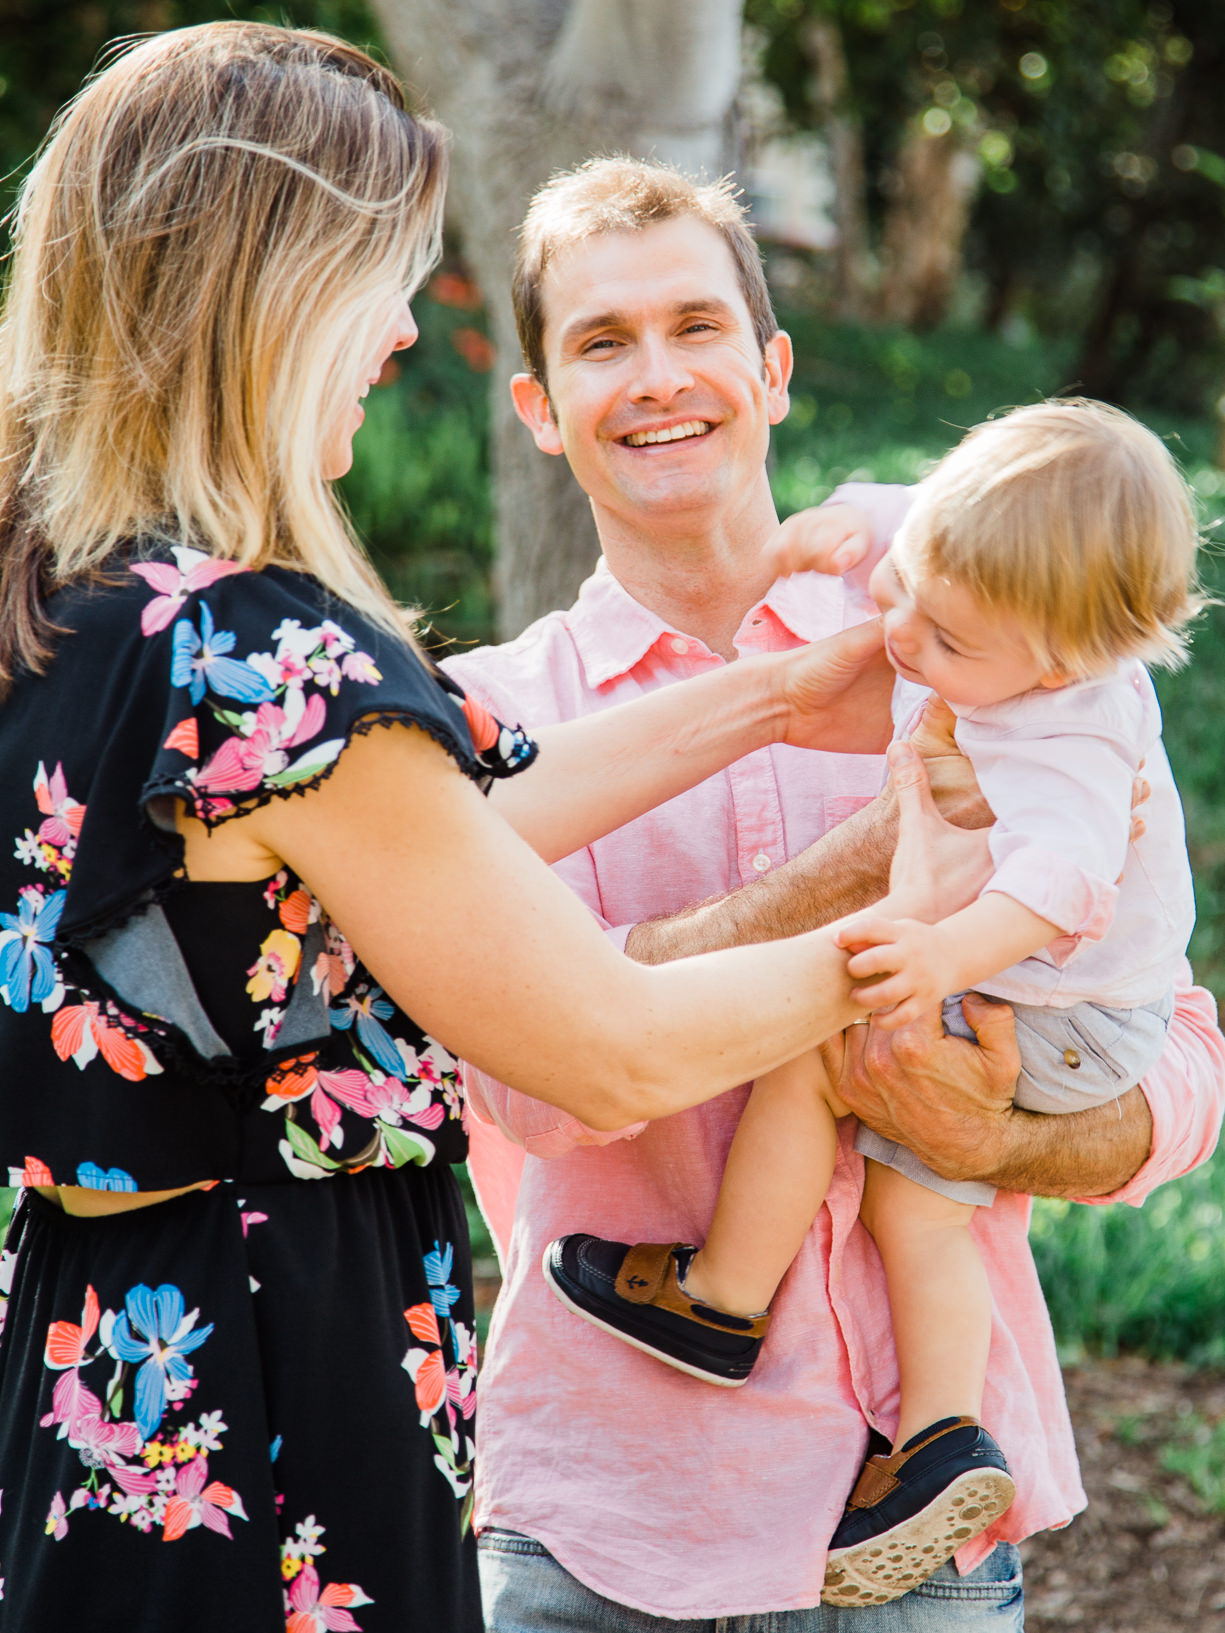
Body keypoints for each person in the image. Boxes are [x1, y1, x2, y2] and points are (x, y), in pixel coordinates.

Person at [0, 31, 947, 1633]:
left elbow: (454, 817)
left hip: (101, 1345)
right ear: (276, 296)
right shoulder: (256, 645)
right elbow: (618, 1051)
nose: (392, 338)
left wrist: (786, 694)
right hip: (276, 1367)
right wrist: (940, 919)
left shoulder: (76, 601)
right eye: (384, 285)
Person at [441, 156, 1225, 1631]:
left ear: (773, 368)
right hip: (603, 1525)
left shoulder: (1013, 649)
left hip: (910, 1528)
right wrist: (866, 865)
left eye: (696, 326)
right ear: (537, 406)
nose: (659, 376)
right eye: (602, 343)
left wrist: (997, 1134)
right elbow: (527, 1088)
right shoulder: (489, 732)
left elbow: (1170, 1038)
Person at [543, 398, 1200, 1605]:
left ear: (1055, 660)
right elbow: (901, 526)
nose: (895, 629)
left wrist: (945, 961)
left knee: (826, 1059)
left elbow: (1058, 888)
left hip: (1065, 1004)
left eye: (941, 635)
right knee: (917, 1205)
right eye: (902, 588)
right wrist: (839, 530)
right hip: (605, 1511)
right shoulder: (972, 569)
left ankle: (721, 1300)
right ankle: (939, 1438)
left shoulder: (1071, 731)